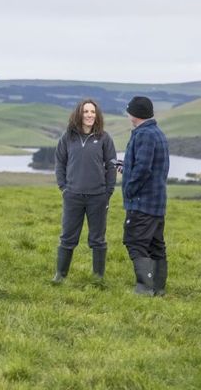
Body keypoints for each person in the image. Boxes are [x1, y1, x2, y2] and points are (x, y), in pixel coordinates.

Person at [53, 98, 118, 283]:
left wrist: (108, 192)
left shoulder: (104, 138)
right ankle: (60, 275)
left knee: (98, 239)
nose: (89, 115)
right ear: (79, 114)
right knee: (67, 237)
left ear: (96, 115)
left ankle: (98, 278)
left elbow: (112, 166)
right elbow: (60, 163)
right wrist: (63, 188)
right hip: (72, 195)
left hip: (98, 196)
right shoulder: (68, 137)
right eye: (85, 111)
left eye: (92, 112)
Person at [121, 95, 170, 296]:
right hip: (156, 202)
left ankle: (144, 288)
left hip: (143, 202)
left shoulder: (145, 135)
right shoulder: (156, 132)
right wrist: (125, 168)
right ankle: (158, 288)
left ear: (135, 113)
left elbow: (143, 168)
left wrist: (130, 190)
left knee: (135, 241)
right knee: (155, 244)